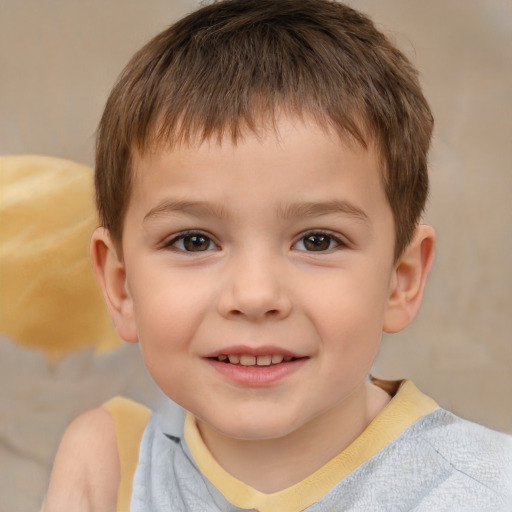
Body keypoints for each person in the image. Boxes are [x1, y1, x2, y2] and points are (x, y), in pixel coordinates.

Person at [44, 0, 512, 510]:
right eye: (194, 241)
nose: (255, 295)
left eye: (317, 240)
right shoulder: (113, 471)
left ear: (401, 279)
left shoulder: (485, 491)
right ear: (120, 285)